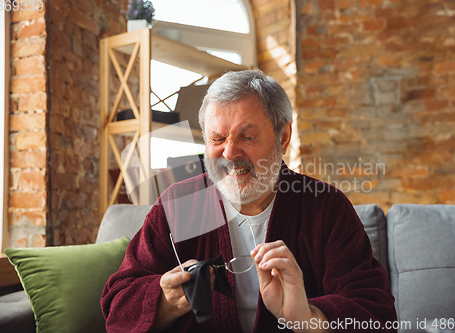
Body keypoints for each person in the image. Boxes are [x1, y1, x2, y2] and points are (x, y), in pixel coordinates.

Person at [101, 70, 397, 333]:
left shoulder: (325, 207)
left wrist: (308, 318)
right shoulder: (182, 205)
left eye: (248, 137)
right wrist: (167, 301)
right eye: (217, 139)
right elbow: (117, 305)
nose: (229, 153)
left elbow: (377, 314)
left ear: (283, 137)